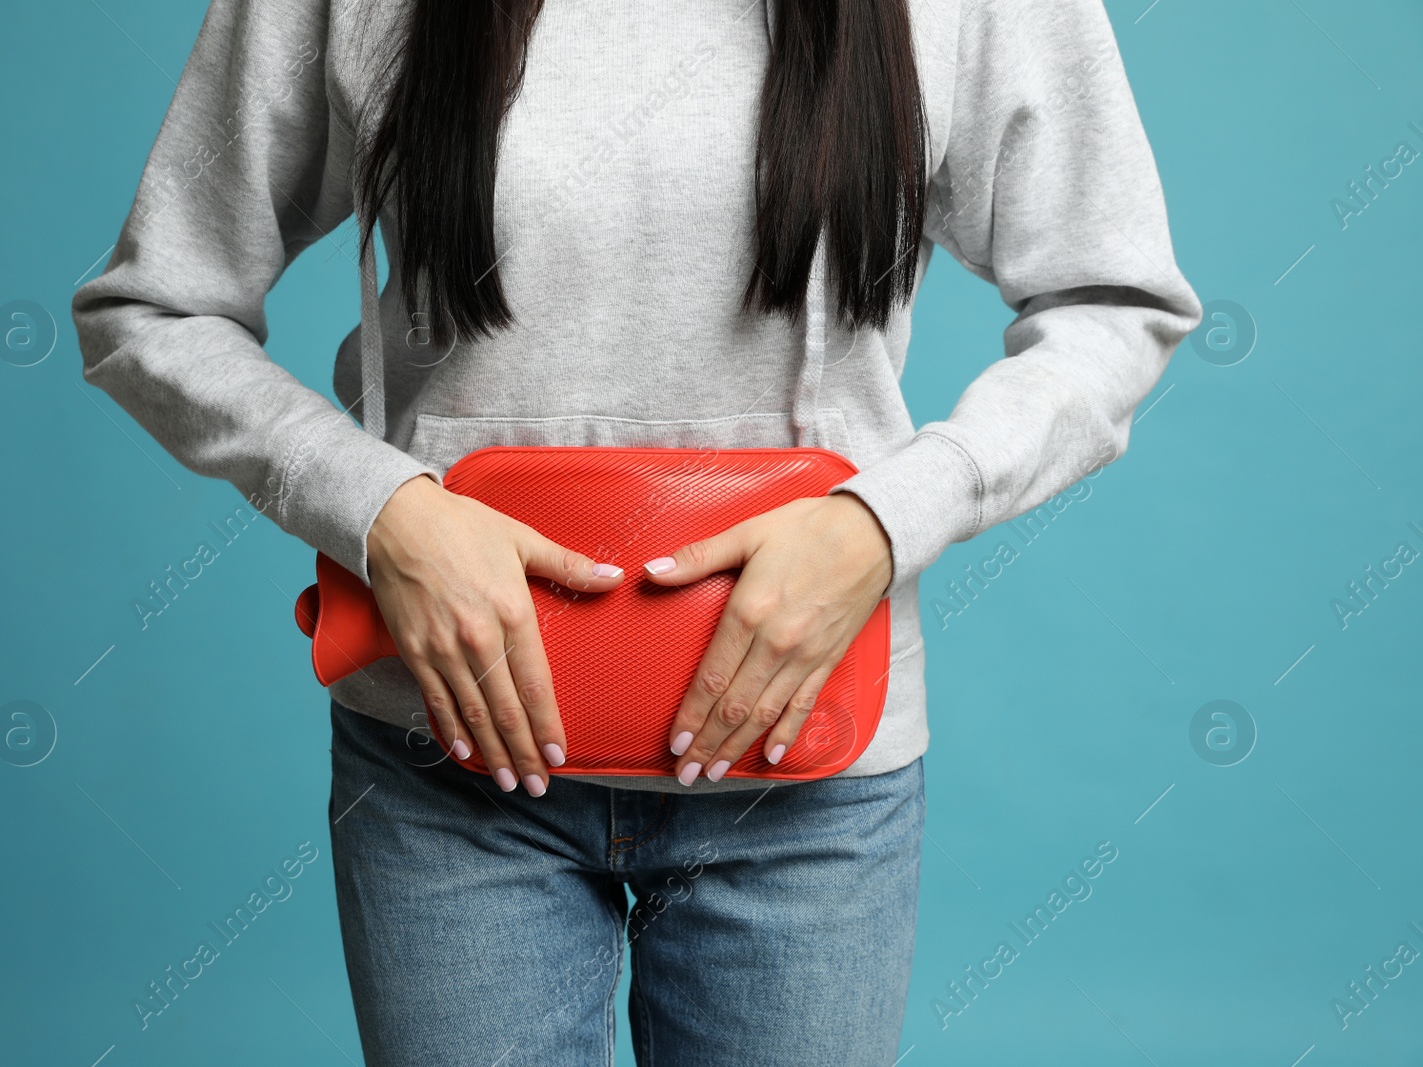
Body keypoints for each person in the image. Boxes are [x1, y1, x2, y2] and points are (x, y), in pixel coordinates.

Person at [71, 0, 1202, 1062]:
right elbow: (153, 308)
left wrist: (883, 519)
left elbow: (1115, 304)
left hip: (804, 771)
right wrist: (380, 509)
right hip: (448, 762)